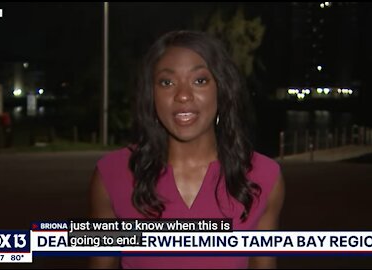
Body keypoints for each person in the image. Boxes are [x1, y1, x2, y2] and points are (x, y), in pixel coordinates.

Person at [89, 30, 285, 269]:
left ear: (222, 90)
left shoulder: (264, 178)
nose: (183, 95)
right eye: (167, 82)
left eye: (200, 80)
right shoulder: (111, 176)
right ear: (151, 96)